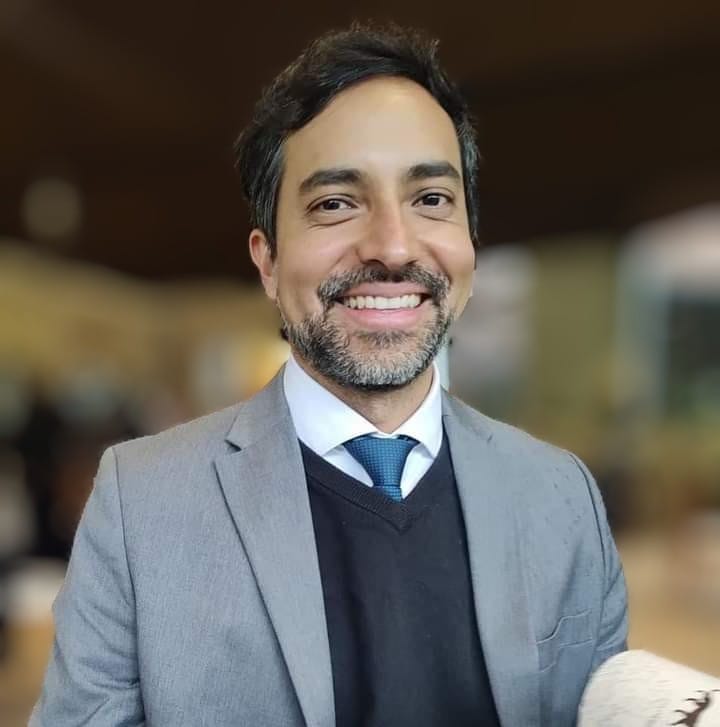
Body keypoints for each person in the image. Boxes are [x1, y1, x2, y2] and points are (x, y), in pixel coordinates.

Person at [31, 24, 628, 727]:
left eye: (431, 199)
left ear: (470, 240)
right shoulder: (141, 505)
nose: (393, 247)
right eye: (335, 203)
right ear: (268, 261)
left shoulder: (563, 496)